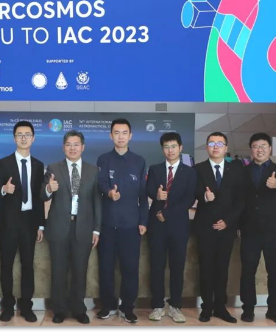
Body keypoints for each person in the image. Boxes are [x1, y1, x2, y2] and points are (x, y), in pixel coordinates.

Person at [41, 130, 101, 325]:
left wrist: (96, 229)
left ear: (83, 147)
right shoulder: (53, 168)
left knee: (80, 271)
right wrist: (48, 188)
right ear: (63, 147)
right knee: (58, 271)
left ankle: (78, 309)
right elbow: (42, 195)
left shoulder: (93, 170)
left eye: (76, 144)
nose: (72, 148)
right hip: (59, 227)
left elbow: (97, 202)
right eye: (68, 144)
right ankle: (59, 310)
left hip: (83, 228)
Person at [0, 121, 45, 323]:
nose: (23, 138)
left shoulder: (38, 165)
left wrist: (41, 224)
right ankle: (7, 305)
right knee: (6, 265)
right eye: (20, 134)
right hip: (9, 222)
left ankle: (26, 306)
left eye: (27, 134)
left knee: (28, 265)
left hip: (29, 222)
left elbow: (39, 198)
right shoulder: (3, 164)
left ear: (33, 138)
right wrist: (4, 189)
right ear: (14, 138)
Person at [96, 119, 148, 324]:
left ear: (130, 136)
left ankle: (128, 308)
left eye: (124, 132)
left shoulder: (139, 161)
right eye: (116, 133)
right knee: (106, 268)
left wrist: (143, 220)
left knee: (130, 269)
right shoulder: (103, 159)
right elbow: (100, 184)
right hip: (108, 225)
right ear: (111, 135)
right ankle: (107, 306)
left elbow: (143, 196)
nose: (120, 136)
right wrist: (109, 193)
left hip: (131, 225)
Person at [240, 133, 276, 325]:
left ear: (269, 149)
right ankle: (248, 309)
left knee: (275, 272)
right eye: (255, 146)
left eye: (263, 146)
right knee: (247, 271)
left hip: (274, 231)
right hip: (249, 230)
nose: (259, 150)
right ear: (251, 150)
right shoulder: (243, 171)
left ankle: (274, 310)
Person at [194, 132, 245, 324]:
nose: (215, 147)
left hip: (226, 228)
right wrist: (204, 197)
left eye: (219, 144)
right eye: (211, 143)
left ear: (226, 148)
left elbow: (241, 199)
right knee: (206, 268)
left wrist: (228, 221)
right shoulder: (198, 169)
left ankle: (220, 307)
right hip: (205, 227)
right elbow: (193, 191)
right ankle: (206, 307)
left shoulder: (236, 169)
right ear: (207, 147)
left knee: (222, 268)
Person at [147, 132, 196, 324]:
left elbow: (189, 199)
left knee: (177, 267)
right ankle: (157, 305)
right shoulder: (155, 169)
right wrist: (157, 195)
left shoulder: (189, 172)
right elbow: (148, 189)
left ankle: (175, 306)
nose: (170, 150)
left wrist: (167, 213)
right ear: (162, 149)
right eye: (166, 147)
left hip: (178, 226)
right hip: (156, 226)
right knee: (156, 266)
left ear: (180, 148)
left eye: (174, 146)